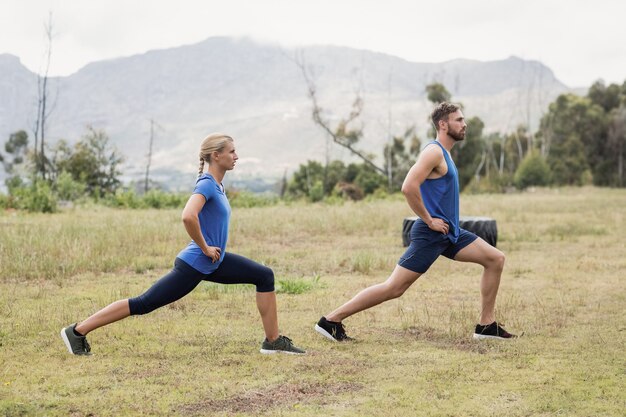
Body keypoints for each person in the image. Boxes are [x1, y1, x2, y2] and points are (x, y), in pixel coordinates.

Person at [61, 133, 305, 355]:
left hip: (213, 261)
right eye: (231, 151)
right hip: (197, 263)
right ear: (215, 155)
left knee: (264, 276)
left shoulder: (217, 185)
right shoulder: (207, 183)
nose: (236, 156)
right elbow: (188, 216)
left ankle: (272, 341)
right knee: (143, 303)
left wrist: (210, 250)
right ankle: (77, 331)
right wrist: (205, 247)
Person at [315, 102, 516, 342]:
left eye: (463, 120)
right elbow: (408, 187)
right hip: (432, 233)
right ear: (443, 124)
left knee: (495, 259)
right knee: (394, 288)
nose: (465, 124)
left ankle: (486, 326)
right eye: (459, 120)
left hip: (450, 232)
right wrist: (429, 220)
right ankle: (331, 320)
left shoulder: (446, 153)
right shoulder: (434, 152)